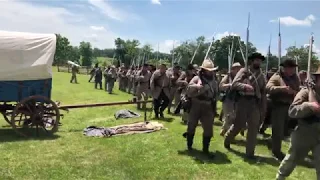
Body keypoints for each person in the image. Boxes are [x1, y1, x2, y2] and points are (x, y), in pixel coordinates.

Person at [276, 66, 320, 180]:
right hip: (304, 132)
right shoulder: (305, 92)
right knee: (292, 159)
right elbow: (292, 111)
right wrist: (308, 106)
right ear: (317, 79)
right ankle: (280, 177)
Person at [224, 52, 267, 160]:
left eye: (260, 60)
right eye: (256, 60)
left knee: (253, 128)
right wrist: (245, 86)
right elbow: (234, 84)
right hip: (243, 101)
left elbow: (263, 92)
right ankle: (228, 138)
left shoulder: (261, 75)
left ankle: (250, 153)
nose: (258, 62)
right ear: (252, 61)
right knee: (238, 125)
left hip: (254, 103)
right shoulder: (244, 71)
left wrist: (263, 107)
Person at [183, 59, 218, 157]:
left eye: (211, 70)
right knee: (191, 126)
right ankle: (189, 146)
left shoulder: (214, 81)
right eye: (208, 70)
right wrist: (198, 87)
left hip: (208, 105)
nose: (210, 72)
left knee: (208, 129)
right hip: (196, 104)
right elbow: (189, 90)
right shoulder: (196, 78)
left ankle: (205, 150)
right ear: (203, 70)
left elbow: (216, 93)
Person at [266, 59, 300, 161]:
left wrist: (293, 92)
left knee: (285, 130)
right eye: (290, 68)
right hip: (278, 106)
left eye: (293, 68)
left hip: (289, 107)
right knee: (278, 130)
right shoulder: (277, 77)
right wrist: (282, 88)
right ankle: (276, 151)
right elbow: (268, 87)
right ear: (285, 68)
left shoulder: (295, 78)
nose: (292, 70)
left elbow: (298, 90)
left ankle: (273, 145)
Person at [219, 62, 242, 136]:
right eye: (236, 68)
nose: (238, 70)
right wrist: (229, 85)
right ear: (233, 69)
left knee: (234, 117)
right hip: (228, 99)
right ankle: (228, 135)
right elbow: (221, 86)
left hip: (237, 99)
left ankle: (224, 129)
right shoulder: (228, 76)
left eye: (239, 68)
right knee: (229, 116)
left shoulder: (241, 77)